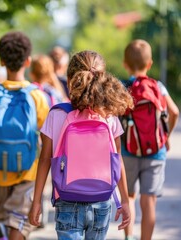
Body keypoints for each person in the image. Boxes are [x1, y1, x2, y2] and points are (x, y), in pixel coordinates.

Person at [29, 50, 133, 239]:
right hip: (101, 200)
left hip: (67, 199)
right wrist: (125, 201)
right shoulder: (108, 115)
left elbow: (44, 159)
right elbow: (118, 160)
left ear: (69, 80)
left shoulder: (57, 114)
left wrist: (36, 201)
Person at [0, 31, 49, 240]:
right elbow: (48, 137)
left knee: (0, 217)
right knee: (20, 222)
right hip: (28, 171)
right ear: (28, 61)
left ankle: (1, 229)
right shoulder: (37, 96)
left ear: (2, 61)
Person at [121, 39, 179, 240]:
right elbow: (174, 112)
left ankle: (129, 237)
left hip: (128, 150)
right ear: (150, 63)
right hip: (156, 150)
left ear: (125, 64)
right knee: (149, 201)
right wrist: (166, 136)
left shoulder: (123, 88)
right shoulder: (158, 87)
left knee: (129, 197)